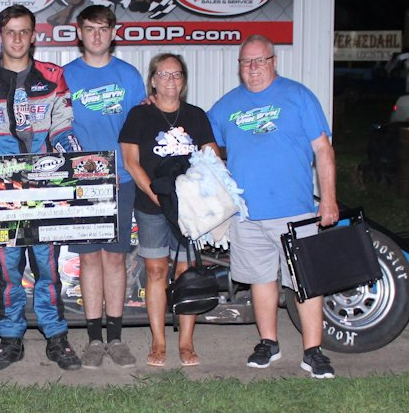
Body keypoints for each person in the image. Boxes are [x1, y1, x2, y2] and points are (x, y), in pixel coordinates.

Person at [0, 4, 83, 372]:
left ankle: (56, 337)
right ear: (0, 35)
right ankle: (10, 339)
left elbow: (63, 131)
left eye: (23, 31)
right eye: (10, 31)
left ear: (33, 36)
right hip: (0, 193)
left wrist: (79, 165)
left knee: (48, 270)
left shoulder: (53, 76)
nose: (16, 38)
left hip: (46, 191)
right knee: (8, 272)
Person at [207, 34, 339, 379]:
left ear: (273, 61)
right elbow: (199, 135)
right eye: (246, 62)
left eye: (259, 60)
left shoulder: (298, 96)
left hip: (294, 211)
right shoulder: (227, 105)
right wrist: (156, 105)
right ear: (239, 66)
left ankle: (313, 351)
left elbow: (323, 150)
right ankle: (269, 342)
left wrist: (328, 199)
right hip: (247, 215)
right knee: (260, 279)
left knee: (305, 283)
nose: (253, 68)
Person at [119, 53, 218, 368]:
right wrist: (158, 197)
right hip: (152, 207)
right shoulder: (139, 115)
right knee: (156, 272)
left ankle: (186, 342)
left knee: (186, 273)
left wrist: (202, 191)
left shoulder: (196, 116)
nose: (170, 80)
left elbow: (211, 157)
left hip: (189, 209)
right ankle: (159, 341)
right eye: (163, 74)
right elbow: (130, 162)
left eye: (176, 74)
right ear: (153, 80)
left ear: (184, 81)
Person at [62, 5, 147, 369]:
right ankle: (94, 339)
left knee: (115, 258)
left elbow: (139, 129)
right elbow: (57, 128)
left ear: (114, 33)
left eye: (103, 29)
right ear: (79, 32)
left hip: (121, 179)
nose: (96, 35)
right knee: (88, 259)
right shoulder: (65, 76)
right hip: (81, 181)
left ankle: (115, 337)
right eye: (90, 28)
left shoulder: (129, 76)